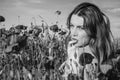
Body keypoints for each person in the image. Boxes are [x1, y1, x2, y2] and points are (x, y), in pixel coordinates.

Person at [59, 2, 115, 80]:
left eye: (81, 28)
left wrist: (71, 62)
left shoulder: (90, 62)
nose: (73, 33)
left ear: (94, 30)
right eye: (72, 26)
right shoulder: (79, 51)